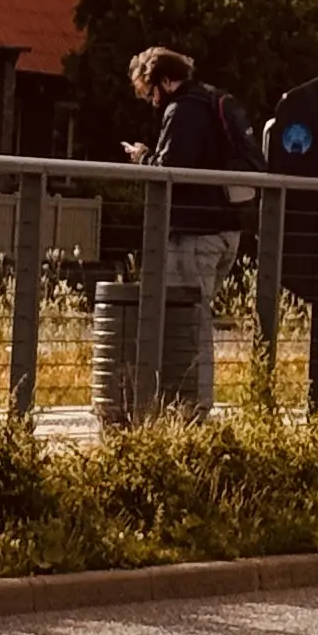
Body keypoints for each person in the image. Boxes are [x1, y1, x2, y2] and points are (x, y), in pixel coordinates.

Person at [124, 44, 255, 413]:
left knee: (188, 323)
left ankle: (193, 407)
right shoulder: (211, 101)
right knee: (191, 317)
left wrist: (142, 158)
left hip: (196, 234)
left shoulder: (183, 111)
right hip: (226, 229)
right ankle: (183, 401)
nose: (152, 102)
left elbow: (174, 169)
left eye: (151, 92)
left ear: (166, 81)